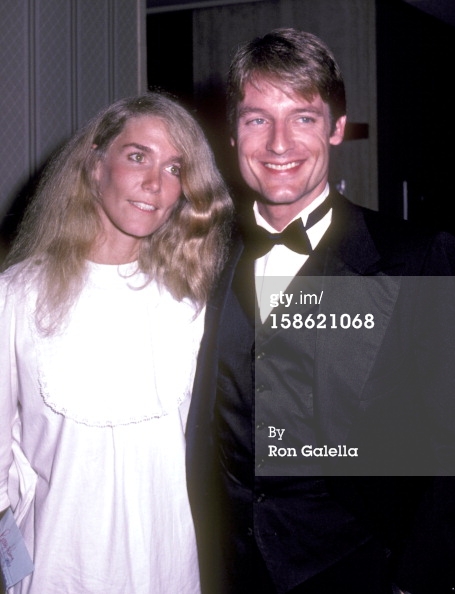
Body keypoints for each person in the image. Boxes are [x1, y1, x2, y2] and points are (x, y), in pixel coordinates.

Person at [186, 28, 455, 594]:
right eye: (257, 118)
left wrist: (415, 580)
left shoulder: (414, 257)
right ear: (232, 134)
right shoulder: (204, 257)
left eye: (303, 117)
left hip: (360, 572)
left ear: (335, 128)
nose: (278, 143)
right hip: (227, 570)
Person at [0, 92, 233, 593]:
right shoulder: (15, 295)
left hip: (168, 569)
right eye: (137, 157)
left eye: (175, 168)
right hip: (55, 572)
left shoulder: (194, 301)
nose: (155, 183)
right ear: (94, 164)